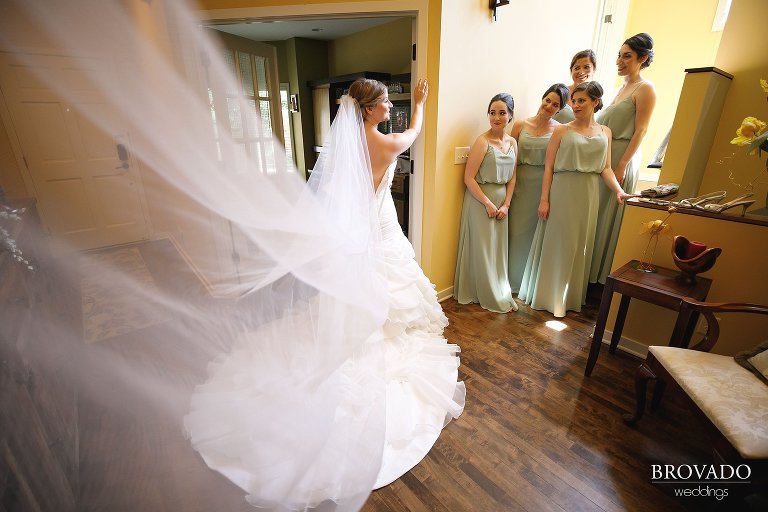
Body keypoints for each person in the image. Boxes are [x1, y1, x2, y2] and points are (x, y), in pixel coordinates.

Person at [185, 77, 465, 508]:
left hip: (358, 241)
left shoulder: (343, 152)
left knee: (363, 300)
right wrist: (424, 102)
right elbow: (415, 134)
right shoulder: (386, 145)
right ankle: (378, 350)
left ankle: (361, 338)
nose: (391, 105)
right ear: (368, 110)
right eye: (385, 101)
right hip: (384, 234)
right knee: (392, 302)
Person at [519, 82, 633, 317]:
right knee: (558, 242)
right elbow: (548, 167)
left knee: (579, 246)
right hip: (563, 190)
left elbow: (606, 168)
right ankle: (546, 296)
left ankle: (568, 297)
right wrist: (544, 200)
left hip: (590, 193)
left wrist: (619, 191)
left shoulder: (606, 133)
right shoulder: (562, 130)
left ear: (596, 102)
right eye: (574, 100)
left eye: (582, 100)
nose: (576, 105)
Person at [590, 33, 656, 284]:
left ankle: (600, 277)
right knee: (596, 214)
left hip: (621, 156)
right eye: (619, 55)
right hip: (605, 156)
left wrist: (621, 164)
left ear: (643, 58)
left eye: (626, 56)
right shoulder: (621, 88)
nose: (619, 60)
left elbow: (641, 130)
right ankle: (587, 273)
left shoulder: (645, 88)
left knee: (608, 215)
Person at [453, 93, 518, 313]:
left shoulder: (513, 142)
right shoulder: (482, 142)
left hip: (502, 201)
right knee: (482, 249)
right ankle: (485, 293)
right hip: (480, 201)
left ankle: (498, 288)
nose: (496, 117)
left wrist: (506, 205)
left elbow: (513, 177)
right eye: (492, 113)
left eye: (502, 113)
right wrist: (489, 204)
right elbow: (468, 178)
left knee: (496, 250)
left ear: (510, 115)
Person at [508, 84, 569, 293]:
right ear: (542, 98)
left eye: (555, 104)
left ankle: (527, 284)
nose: (549, 106)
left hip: (542, 186)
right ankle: (509, 281)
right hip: (519, 183)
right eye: (548, 100)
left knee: (533, 236)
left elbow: (554, 165)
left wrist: (546, 197)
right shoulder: (519, 125)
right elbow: (509, 157)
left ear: (560, 109)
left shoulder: (560, 130)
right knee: (514, 232)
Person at [553, 49, 597, 123]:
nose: (581, 72)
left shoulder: (596, 99)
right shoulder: (560, 92)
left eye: (586, 67)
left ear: (594, 69)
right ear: (571, 70)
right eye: (577, 68)